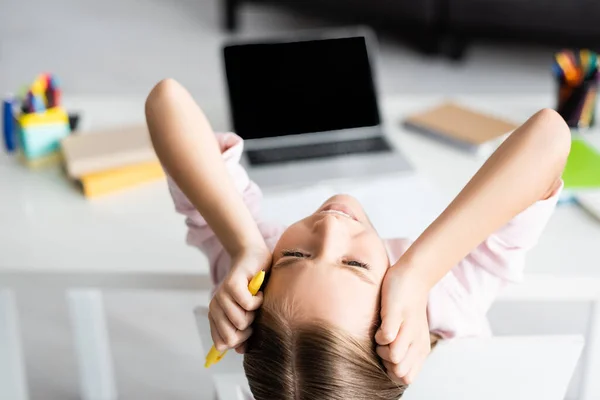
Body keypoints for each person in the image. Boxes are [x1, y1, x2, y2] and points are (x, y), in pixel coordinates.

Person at [145, 78, 571, 399]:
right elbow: (550, 135)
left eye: (294, 254)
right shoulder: (447, 297)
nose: (329, 227)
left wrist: (243, 244)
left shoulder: (252, 269)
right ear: (398, 315)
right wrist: (420, 274)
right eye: (354, 264)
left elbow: (166, 99)